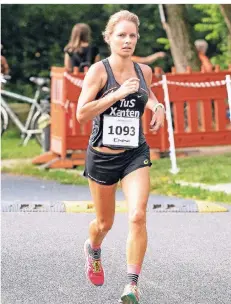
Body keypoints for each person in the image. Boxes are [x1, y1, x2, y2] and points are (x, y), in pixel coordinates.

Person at [76, 10, 165, 304]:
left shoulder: (144, 71)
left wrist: (157, 107)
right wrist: (114, 95)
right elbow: (81, 114)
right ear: (109, 38)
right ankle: (93, 247)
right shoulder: (99, 72)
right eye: (121, 35)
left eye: (132, 36)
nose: (127, 41)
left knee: (138, 215)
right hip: (102, 157)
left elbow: (146, 93)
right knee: (104, 224)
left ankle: (131, 286)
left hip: (134, 154)